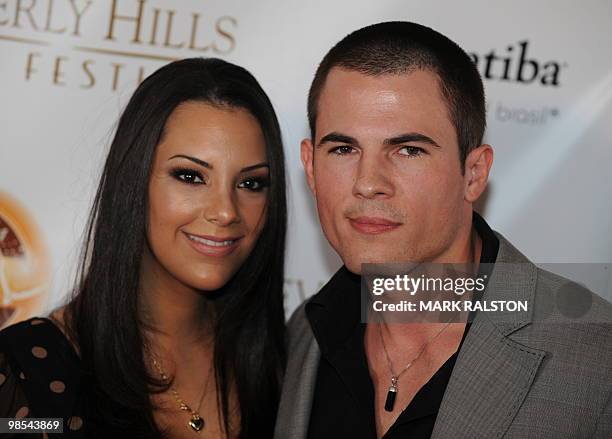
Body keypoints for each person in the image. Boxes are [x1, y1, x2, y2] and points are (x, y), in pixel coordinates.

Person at [275, 21, 612, 439]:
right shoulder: (304, 336)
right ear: (310, 167)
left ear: (473, 174)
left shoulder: (597, 359)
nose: (367, 182)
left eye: (408, 150)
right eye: (344, 149)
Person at [0, 57, 287, 438]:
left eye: (251, 184)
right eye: (190, 176)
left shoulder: (288, 362)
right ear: (133, 182)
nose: (225, 211)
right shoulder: (23, 371)